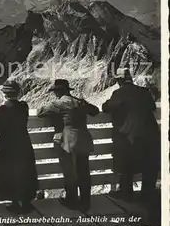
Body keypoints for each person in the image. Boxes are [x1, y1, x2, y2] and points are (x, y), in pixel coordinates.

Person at [37, 79, 99, 211]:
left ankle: (72, 200)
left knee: (69, 171)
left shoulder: (58, 103)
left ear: (58, 92)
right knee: (83, 171)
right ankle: (85, 202)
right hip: (84, 138)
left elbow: (40, 112)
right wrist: (84, 102)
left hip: (68, 140)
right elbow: (95, 111)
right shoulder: (79, 102)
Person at [102, 68, 160, 203]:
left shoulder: (119, 93)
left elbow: (107, 107)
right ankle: (147, 194)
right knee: (149, 165)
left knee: (126, 164)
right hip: (148, 134)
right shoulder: (144, 91)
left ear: (119, 81)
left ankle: (126, 193)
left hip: (129, 136)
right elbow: (152, 107)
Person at [0, 80, 38, 214]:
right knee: (25, 172)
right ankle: (25, 201)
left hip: (8, 145)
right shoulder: (24, 106)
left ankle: (15, 202)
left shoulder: (3, 109)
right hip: (23, 143)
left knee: (11, 173)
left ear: (5, 94)